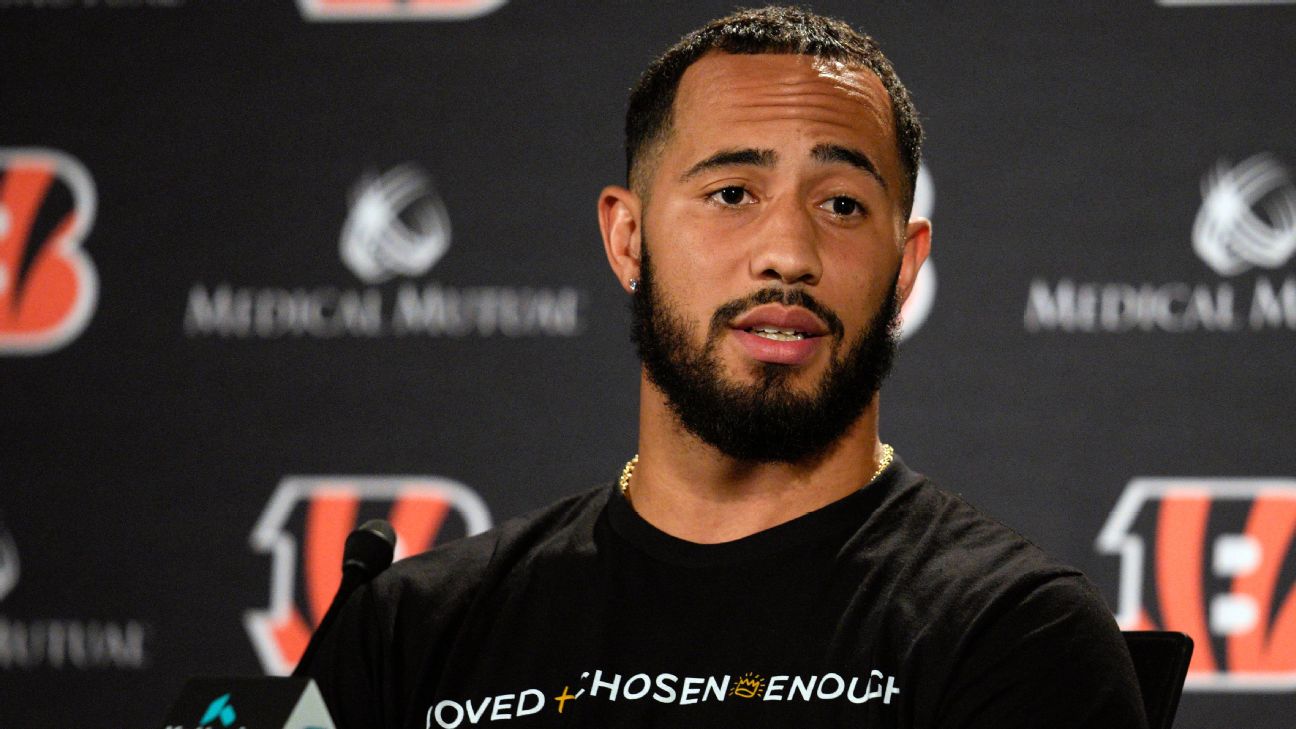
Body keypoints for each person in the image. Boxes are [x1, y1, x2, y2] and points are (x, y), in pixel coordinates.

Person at [304, 7, 1148, 728]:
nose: (788, 252)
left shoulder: (1013, 632)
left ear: (906, 266)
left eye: (843, 205)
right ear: (627, 238)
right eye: (733, 193)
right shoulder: (410, 629)